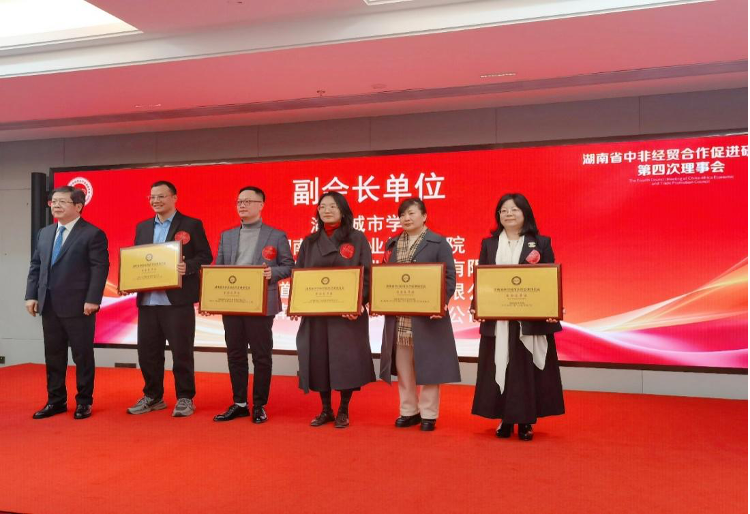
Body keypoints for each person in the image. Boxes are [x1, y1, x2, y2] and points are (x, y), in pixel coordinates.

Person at [471, 193, 565, 441]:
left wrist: (553, 308)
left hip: (529, 320)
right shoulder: (489, 244)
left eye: (514, 209)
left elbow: (549, 279)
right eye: (503, 210)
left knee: (525, 371)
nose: (508, 214)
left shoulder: (541, 243)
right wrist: (476, 306)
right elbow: (482, 279)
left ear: (525, 213)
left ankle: (525, 421)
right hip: (498, 319)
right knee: (501, 365)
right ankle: (504, 419)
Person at [126, 181, 212, 417]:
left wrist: (188, 266)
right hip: (148, 301)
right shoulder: (143, 227)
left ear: (174, 198)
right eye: (152, 197)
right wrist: (128, 281)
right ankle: (153, 396)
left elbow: (205, 255)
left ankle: (185, 397)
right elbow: (137, 260)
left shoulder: (191, 224)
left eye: (161, 196)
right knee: (147, 353)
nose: (156, 201)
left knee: (181, 352)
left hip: (177, 301)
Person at [25, 186, 109, 420]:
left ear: (78, 206)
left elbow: (99, 268)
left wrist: (93, 299)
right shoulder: (45, 233)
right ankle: (56, 401)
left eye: (62, 201)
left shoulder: (92, 233)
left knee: (82, 355)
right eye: (53, 201)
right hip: (49, 304)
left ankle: (84, 401)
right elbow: (36, 265)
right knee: (53, 355)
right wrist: (31, 295)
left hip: (79, 305)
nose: (56, 205)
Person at [211, 186, 294, 423]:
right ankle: (239, 403)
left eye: (248, 201)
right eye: (239, 202)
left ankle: (259, 404)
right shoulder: (227, 236)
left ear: (261, 205)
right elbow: (218, 269)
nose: (242, 205)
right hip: (232, 303)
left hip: (261, 303)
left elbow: (289, 266)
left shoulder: (276, 235)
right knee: (235, 354)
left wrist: (272, 272)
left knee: (261, 355)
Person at [293, 191, 375, 428]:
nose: (326, 210)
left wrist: (358, 303)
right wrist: (298, 302)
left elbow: (367, 275)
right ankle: (326, 409)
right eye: (322, 207)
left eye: (332, 206)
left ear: (343, 210)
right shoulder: (309, 242)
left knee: (346, 360)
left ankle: (343, 409)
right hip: (317, 313)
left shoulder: (357, 238)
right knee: (319, 359)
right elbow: (300, 275)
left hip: (347, 314)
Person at [378, 198, 461, 432]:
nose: (406, 218)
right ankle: (408, 411)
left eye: (411, 213)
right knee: (404, 367)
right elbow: (384, 277)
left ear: (424, 216)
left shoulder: (438, 242)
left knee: (429, 366)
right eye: (402, 214)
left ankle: (429, 414)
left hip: (428, 317)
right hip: (399, 317)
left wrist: (440, 302)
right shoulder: (392, 243)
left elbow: (449, 277)